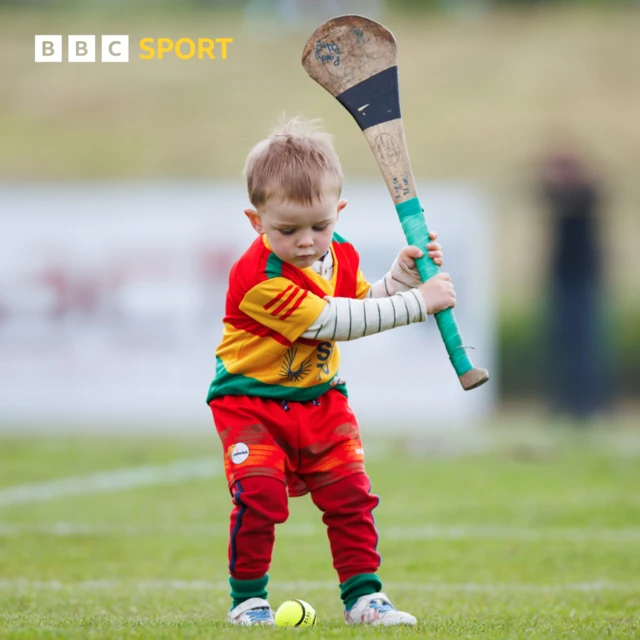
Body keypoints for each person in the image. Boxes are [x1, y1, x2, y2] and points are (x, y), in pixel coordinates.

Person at [207, 117, 456, 626]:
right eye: (287, 229)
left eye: (319, 226)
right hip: (250, 401)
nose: (306, 242)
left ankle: (366, 599)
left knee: (350, 495)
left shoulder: (338, 253)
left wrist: (402, 278)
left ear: (338, 212)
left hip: (321, 399)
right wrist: (419, 303)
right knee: (260, 496)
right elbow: (334, 322)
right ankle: (248, 602)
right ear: (256, 222)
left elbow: (362, 300)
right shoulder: (258, 279)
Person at [538, 146, 612, 419]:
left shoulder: (585, 195)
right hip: (562, 281)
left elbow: (576, 197)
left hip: (583, 283)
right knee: (562, 345)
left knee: (585, 347)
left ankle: (589, 404)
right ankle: (564, 402)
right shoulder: (562, 197)